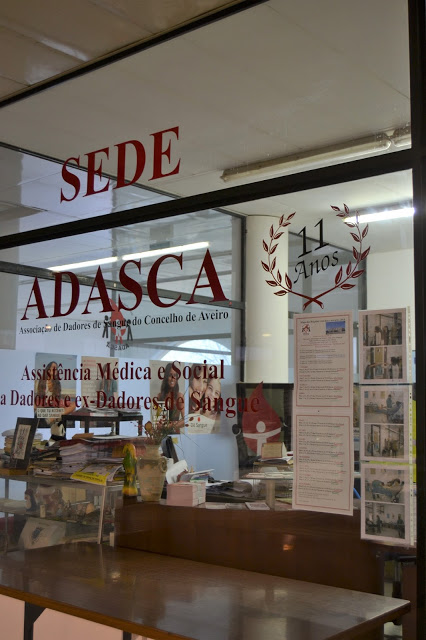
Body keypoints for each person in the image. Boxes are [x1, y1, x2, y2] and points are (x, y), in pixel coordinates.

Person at [34, 361, 76, 440]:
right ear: (48, 369)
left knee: (74, 404)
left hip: (53, 407)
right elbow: (38, 400)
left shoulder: (57, 383)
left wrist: (61, 403)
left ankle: (53, 417)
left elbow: (57, 399)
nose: (55, 369)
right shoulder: (41, 382)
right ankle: (54, 417)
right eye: (53, 367)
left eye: (56, 368)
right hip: (43, 407)